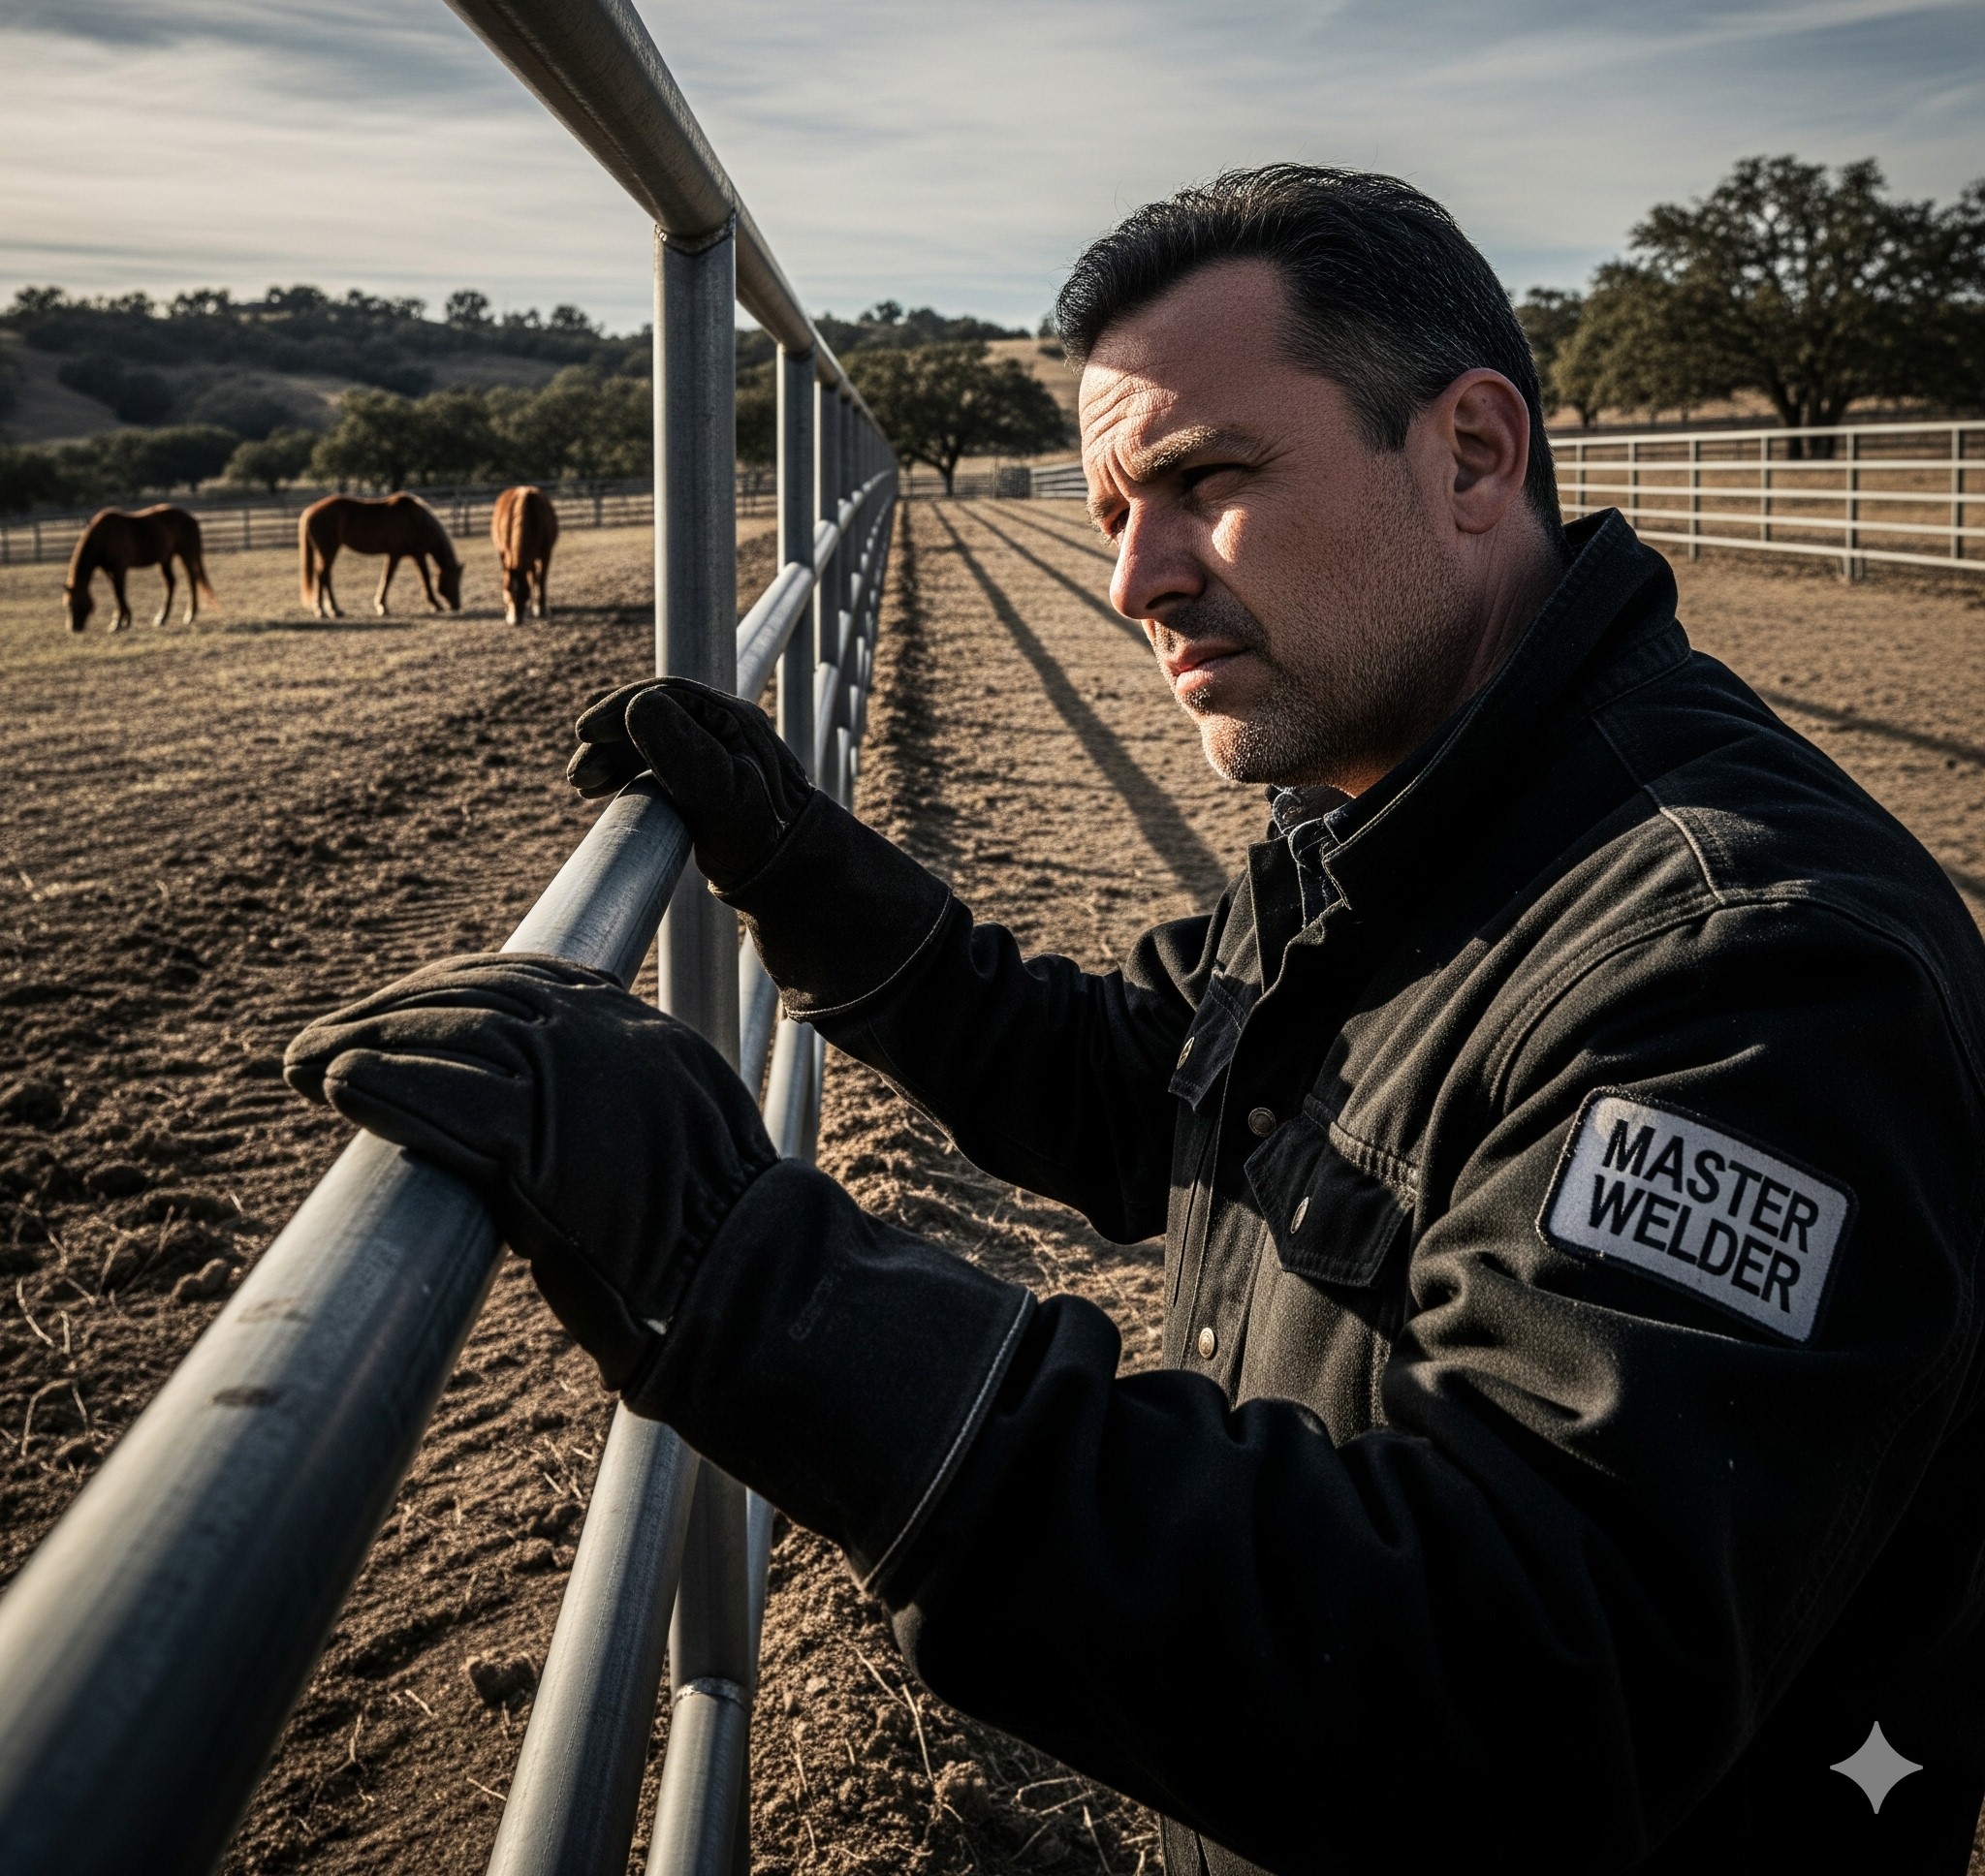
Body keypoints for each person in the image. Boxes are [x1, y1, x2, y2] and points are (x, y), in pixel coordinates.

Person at [286, 167, 1985, 1875]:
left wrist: (744, 1280)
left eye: (1204, 480)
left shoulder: (1748, 975)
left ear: (1473, 454)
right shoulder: (1413, 813)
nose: (1136, 580)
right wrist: (801, 870)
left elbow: (1506, 1681)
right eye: (1113, 510)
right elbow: (1153, 1096)